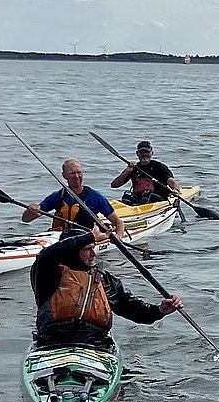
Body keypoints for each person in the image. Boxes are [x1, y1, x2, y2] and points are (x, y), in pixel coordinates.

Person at [30, 223, 179, 349]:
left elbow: (132, 309)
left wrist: (160, 310)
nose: (93, 254)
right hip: (52, 341)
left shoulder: (103, 279)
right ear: (71, 252)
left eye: (93, 248)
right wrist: (90, 236)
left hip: (95, 343)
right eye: (87, 249)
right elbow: (47, 254)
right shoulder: (47, 274)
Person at [21, 159, 122, 234]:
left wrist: (119, 238)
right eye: (72, 173)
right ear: (64, 175)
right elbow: (26, 219)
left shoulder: (95, 197)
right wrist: (31, 210)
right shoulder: (58, 196)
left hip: (87, 237)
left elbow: (118, 222)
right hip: (62, 237)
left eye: (79, 172)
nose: (76, 176)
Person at [109, 142, 177, 205]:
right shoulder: (133, 168)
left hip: (158, 201)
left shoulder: (159, 167)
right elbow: (114, 185)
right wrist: (127, 171)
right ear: (137, 154)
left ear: (152, 153)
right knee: (127, 195)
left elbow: (171, 181)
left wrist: (175, 189)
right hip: (140, 200)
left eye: (147, 152)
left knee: (147, 195)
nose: (144, 154)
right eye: (142, 152)